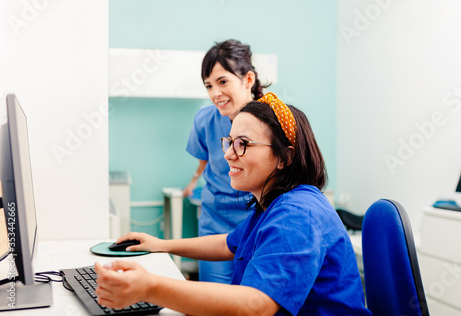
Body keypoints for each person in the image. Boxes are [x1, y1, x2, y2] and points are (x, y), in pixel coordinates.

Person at [95, 93, 372, 316]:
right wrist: (161, 244)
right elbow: (229, 243)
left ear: (283, 158)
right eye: (229, 141)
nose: (227, 154)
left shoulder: (297, 216)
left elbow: (257, 305)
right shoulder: (273, 204)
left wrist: (150, 287)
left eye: (243, 144)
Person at [182, 39, 268, 283]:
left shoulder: (272, 121)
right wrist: (193, 182)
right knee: (215, 298)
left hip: (258, 219)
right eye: (209, 86)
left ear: (248, 80)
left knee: (254, 298)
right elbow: (206, 159)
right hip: (216, 219)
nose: (215, 94)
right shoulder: (205, 120)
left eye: (222, 82)